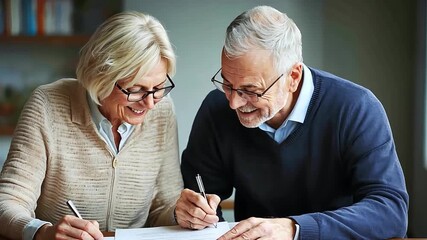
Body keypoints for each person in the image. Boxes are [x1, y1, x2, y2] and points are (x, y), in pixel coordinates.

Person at [176, 5, 409, 240]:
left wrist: (295, 228)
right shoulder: (216, 109)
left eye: (250, 90)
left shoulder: (356, 108)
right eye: (227, 84)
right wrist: (192, 212)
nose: (234, 103)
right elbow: (199, 195)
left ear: (293, 77)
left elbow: (390, 211)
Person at [0, 11, 183, 240]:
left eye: (158, 88)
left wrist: (182, 212)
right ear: (101, 76)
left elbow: (163, 205)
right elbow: (8, 202)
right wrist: (43, 232)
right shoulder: (47, 104)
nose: (150, 103)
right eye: (136, 90)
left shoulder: (162, 111)